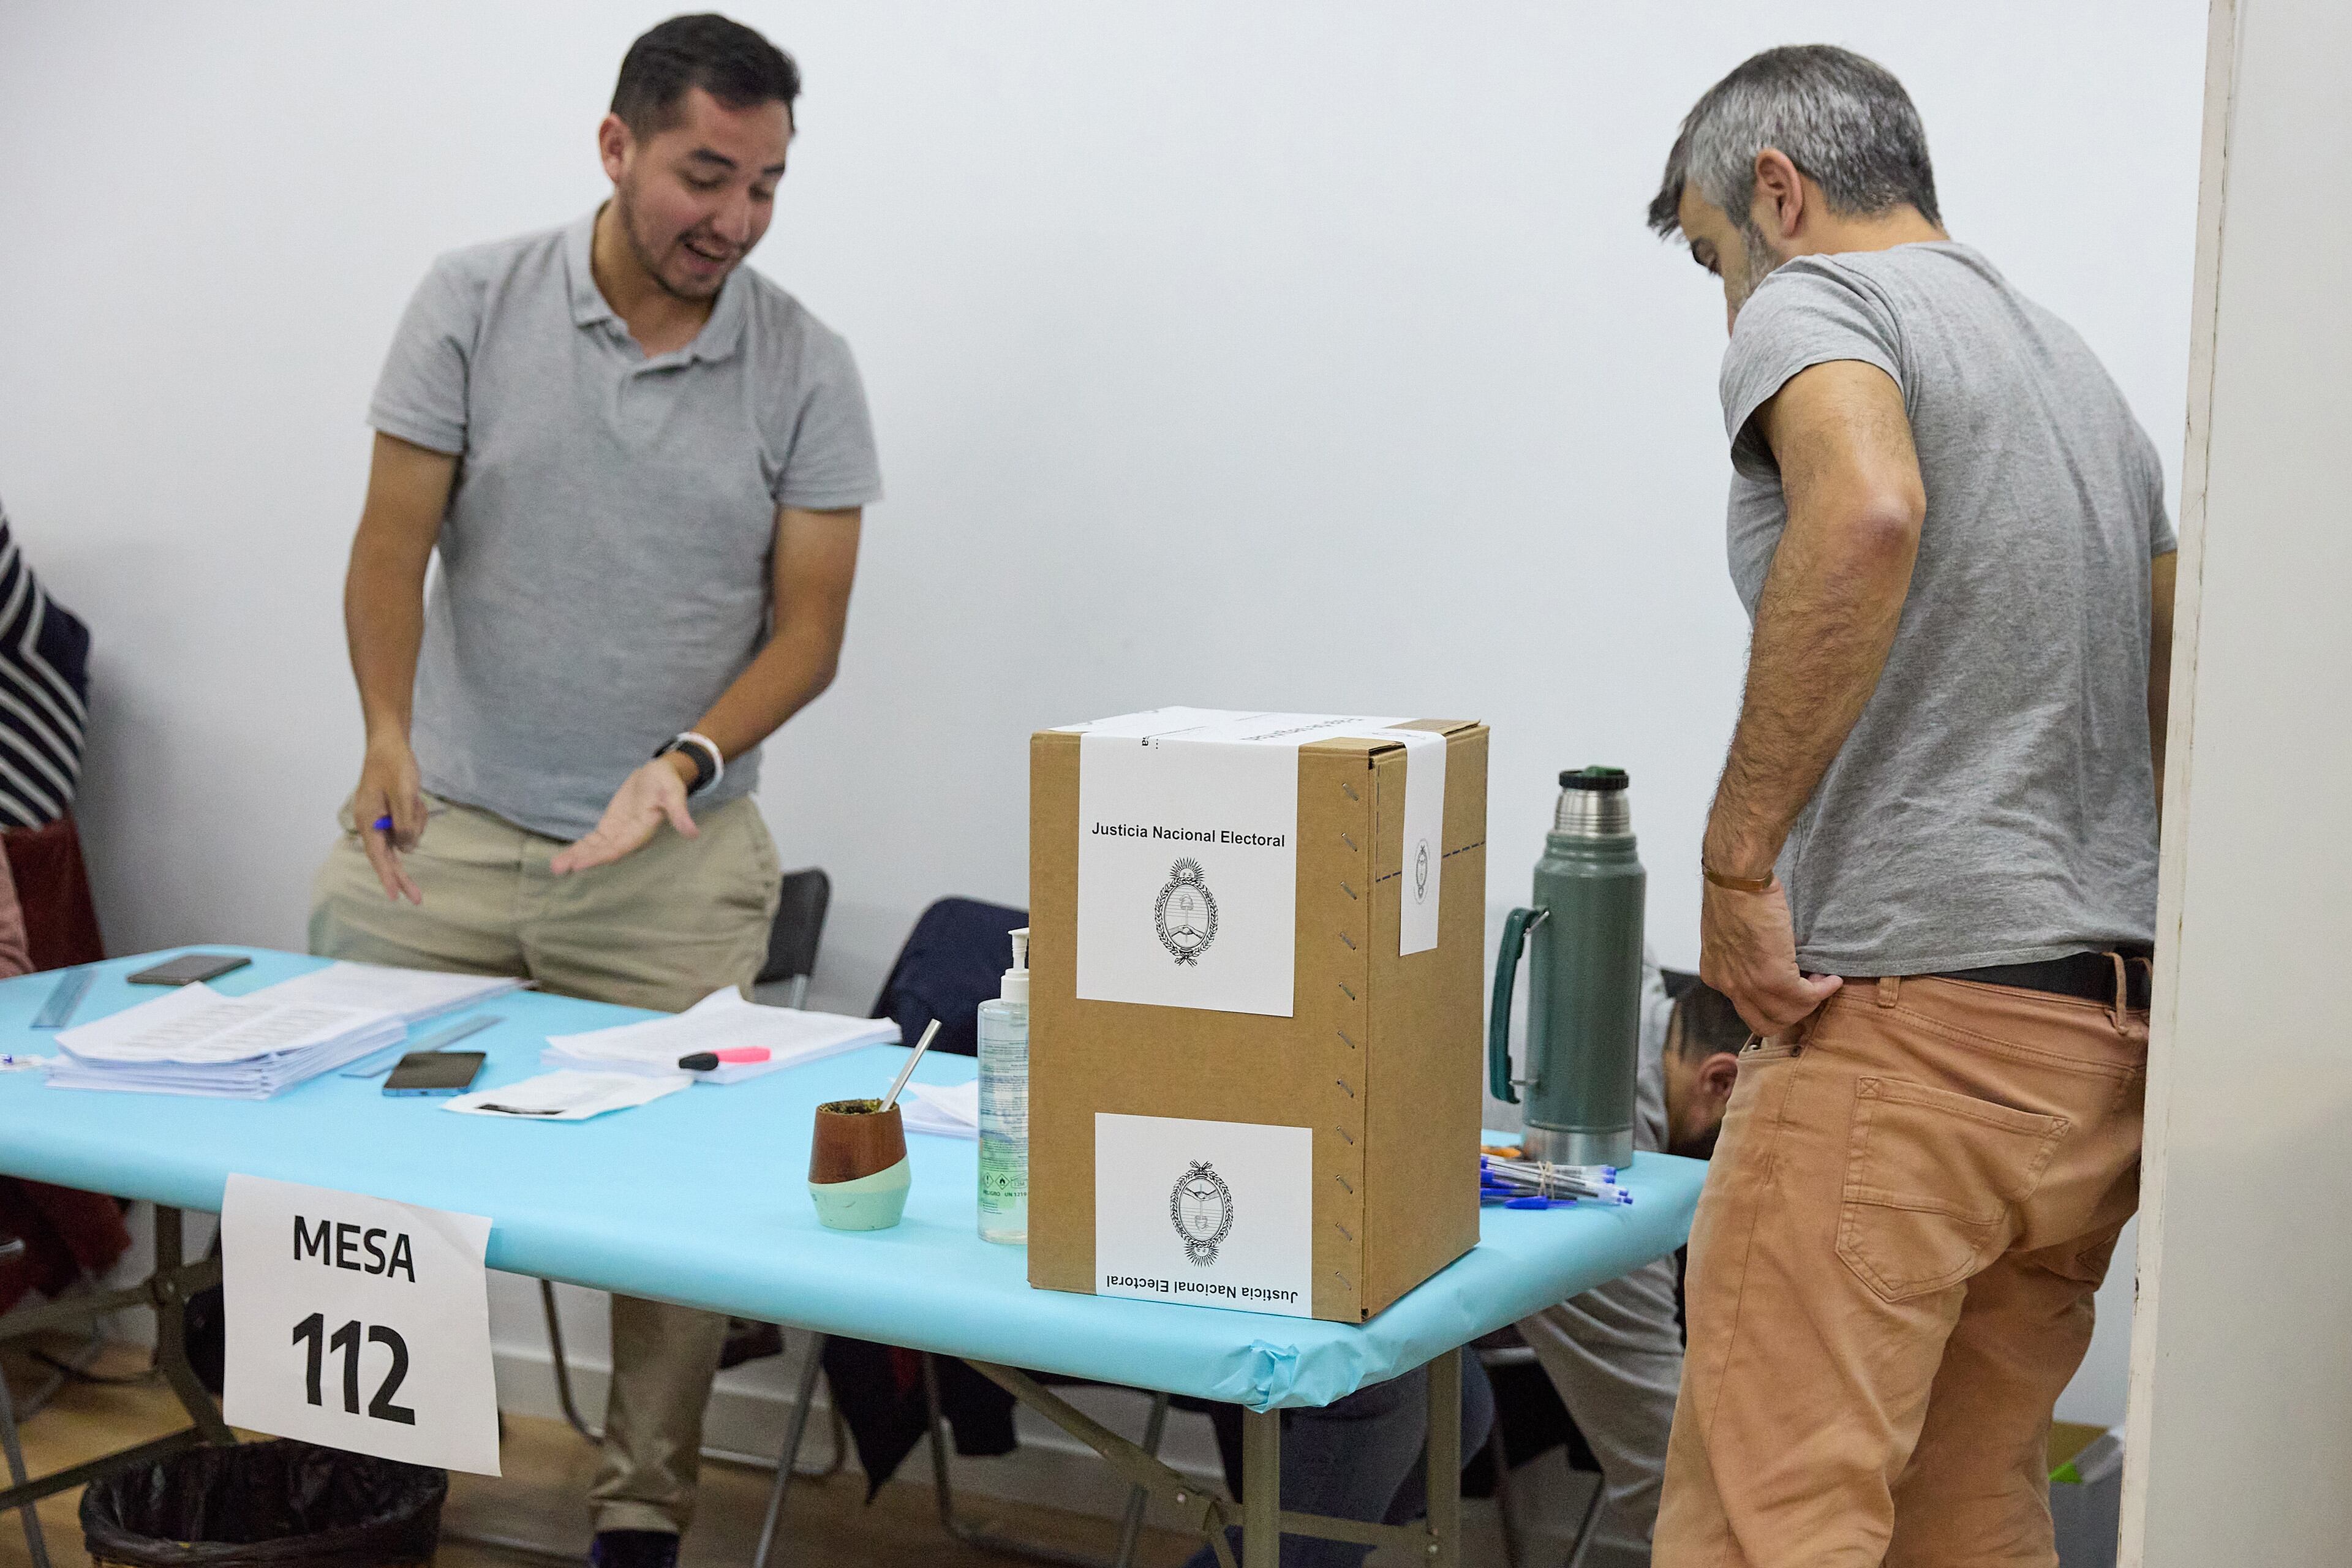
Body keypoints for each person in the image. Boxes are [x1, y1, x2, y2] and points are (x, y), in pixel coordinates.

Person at [308, 15, 881, 1567]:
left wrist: (681, 760)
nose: (736, 218)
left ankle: (641, 1515)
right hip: (444, 829)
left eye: (767, 185)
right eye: (707, 175)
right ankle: (357, 1487)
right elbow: (389, 545)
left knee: (669, 1195)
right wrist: (383, 729)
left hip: (668, 852)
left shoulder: (806, 364)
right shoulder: (472, 299)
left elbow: (811, 630)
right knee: (344, 1139)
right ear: (617, 145)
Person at [1643, 45, 2173, 1567]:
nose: (1728, 308)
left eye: (1711, 257)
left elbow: (1867, 508)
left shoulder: (1823, 302)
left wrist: (1738, 862)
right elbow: (2168, 670)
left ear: (1777, 191)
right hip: (2092, 1051)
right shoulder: (2076, 375)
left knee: (1767, 1522)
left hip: (1908, 1034)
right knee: (1967, 1512)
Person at [1180, 968, 1747, 1568]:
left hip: (1281, 1189)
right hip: (1239, 1215)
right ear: (1721, 1081)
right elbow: (1665, 1471)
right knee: (1396, 1402)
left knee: (1456, 1407)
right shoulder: (1581, 1164)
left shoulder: (1600, 959)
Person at [1513, 965, 1744, 1568]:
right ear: (1721, 1081)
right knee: (1393, 1416)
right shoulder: (1591, 1171)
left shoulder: (1613, 949)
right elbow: (1672, 1482)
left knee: (1450, 1415)